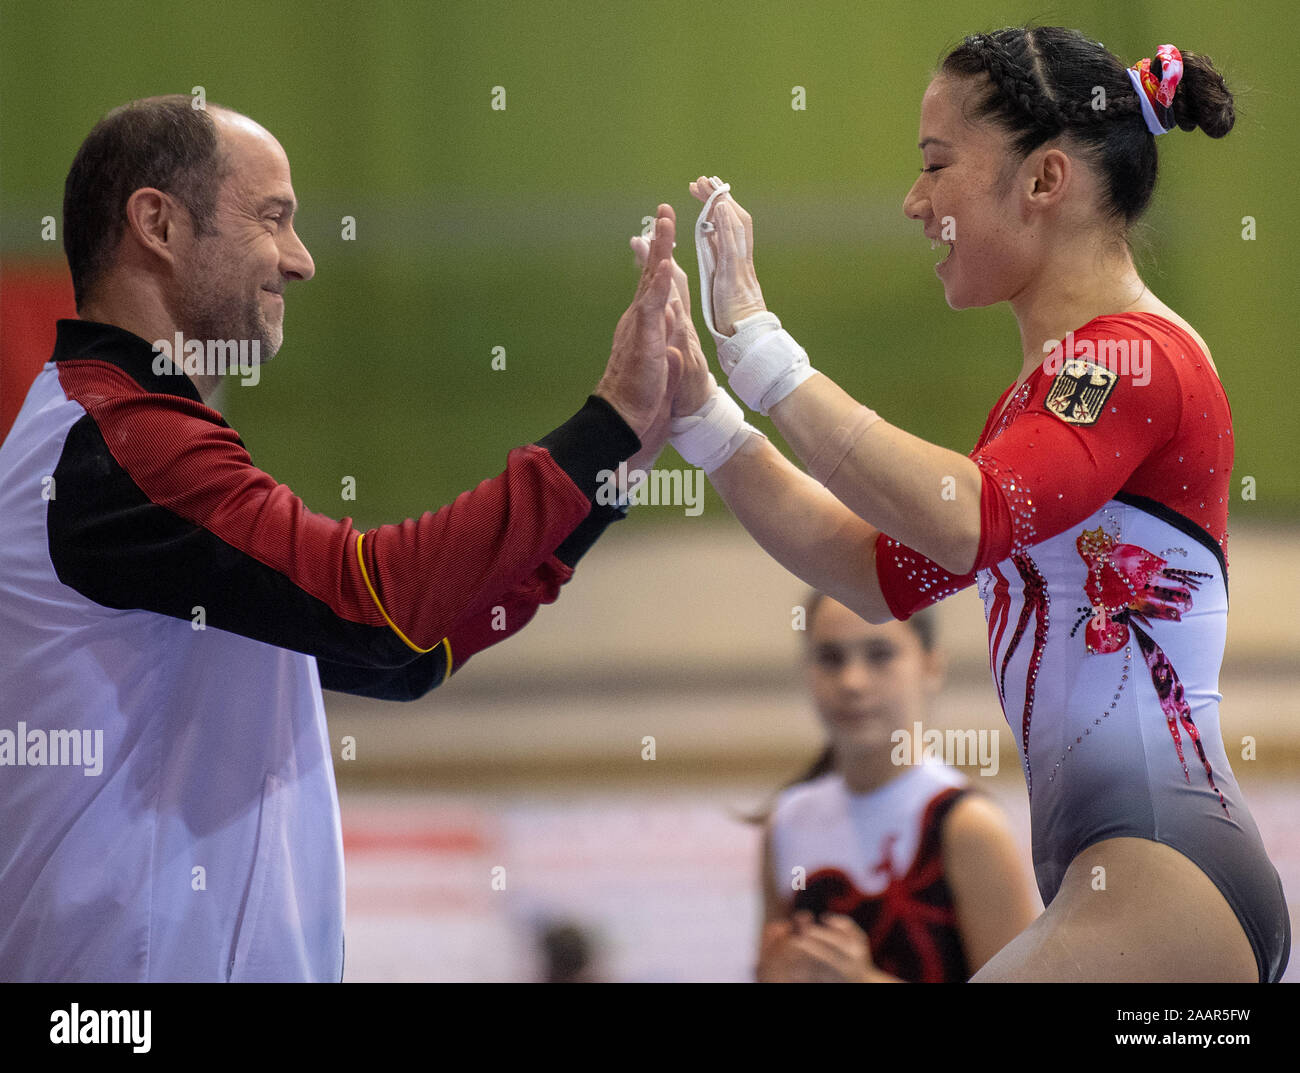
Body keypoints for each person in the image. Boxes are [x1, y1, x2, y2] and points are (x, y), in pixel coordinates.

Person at [652, 27, 1290, 982]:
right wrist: (703, 415)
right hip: (1123, 879)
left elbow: (965, 514)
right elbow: (873, 569)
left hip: (1169, 869)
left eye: (937, 166)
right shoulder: (1042, 404)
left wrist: (758, 341)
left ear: (1043, 181)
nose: (915, 203)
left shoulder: (1131, 361)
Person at [0, 95, 685, 982]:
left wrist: (613, 469)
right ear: (158, 223)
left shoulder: (125, 436)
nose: (302, 260)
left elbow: (400, 656)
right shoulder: (121, 443)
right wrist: (606, 423)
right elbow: (380, 602)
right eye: (273, 218)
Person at [754, 592, 1037, 983]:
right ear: (807, 670)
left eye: (879, 654)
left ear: (931, 666)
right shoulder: (786, 823)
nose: (852, 682)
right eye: (831, 658)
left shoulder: (969, 828)